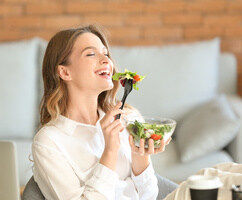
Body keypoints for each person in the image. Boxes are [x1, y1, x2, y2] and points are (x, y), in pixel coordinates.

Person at [32, 24, 171, 200]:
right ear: (65, 72)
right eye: (91, 54)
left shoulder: (128, 117)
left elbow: (149, 195)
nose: (107, 60)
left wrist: (139, 155)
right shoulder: (49, 141)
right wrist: (110, 151)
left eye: (105, 54)